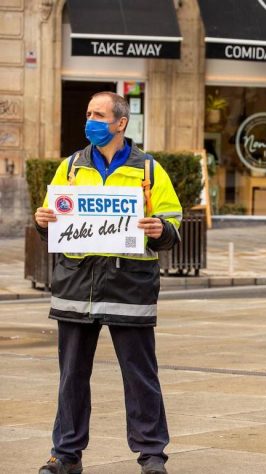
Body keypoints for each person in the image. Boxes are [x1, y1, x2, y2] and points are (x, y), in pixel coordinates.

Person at [34, 92, 182, 474]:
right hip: (76, 289)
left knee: (140, 378)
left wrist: (160, 228)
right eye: (88, 114)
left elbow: (173, 221)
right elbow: (50, 223)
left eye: (98, 115)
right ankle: (65, 456)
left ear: (120, 123)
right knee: (71, 379)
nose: (90, 121)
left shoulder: (148, 170)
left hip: (128, 288)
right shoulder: (69, 168)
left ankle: (152, 456)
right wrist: (41, 221)